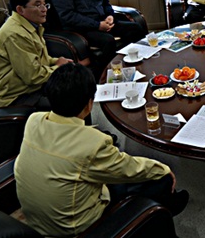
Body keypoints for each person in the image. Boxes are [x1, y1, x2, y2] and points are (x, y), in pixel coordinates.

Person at [14, 63, 188, 237]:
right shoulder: (91, 144)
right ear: (89, 104)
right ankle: (168, 206)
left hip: (37, 220)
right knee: (158, 179)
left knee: (110, 164)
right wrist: (163, 168)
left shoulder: (34, 120)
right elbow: (129, 168)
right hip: (75, 229)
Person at [51, 0, 145, 78]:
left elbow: (105, 3)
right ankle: (104, 76)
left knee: (135, 28)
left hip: (102, 21)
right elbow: (68, 16)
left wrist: (110, 16)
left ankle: (133, 65)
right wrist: (97, 25)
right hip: (80, 28)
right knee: (107, 41)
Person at [0, 0, 72, 108]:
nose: (44, 9)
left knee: (77, 87)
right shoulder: (15, 34)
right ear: (20, 9)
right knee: (71, 102)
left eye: (44, 4)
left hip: (25, 86)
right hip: (11, 96)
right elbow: (34, 77)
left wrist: (56, 61)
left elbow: (36, 59)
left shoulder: (30, 24)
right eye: (38, 5)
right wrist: (57, 67)